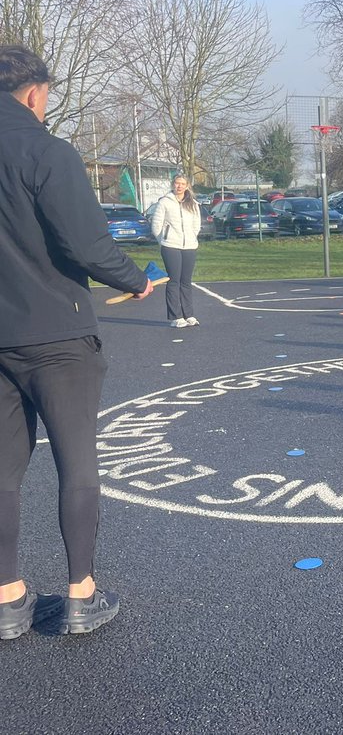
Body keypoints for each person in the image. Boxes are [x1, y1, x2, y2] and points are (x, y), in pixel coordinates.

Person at [0, 44, 153, 639]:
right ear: (35, 93)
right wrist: (136, 279)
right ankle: (81, 595)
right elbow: (85, 243)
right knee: (77, 463)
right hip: (58, 336)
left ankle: (8, 597)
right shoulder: (47, 151)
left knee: (3, 470)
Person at [149, 174, 203, 327]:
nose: (179, 186)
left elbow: (196, 225)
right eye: (177, 183)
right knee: (174, 281)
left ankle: (189, 315)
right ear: (173, 184)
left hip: (189, 246)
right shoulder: (165, 202)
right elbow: (156, 225)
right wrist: (164, 241)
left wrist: (192, 237)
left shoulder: (192, 203)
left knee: (186, 281)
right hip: (170, 246)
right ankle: (176, 317)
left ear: (187, 186)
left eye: (182, 183)